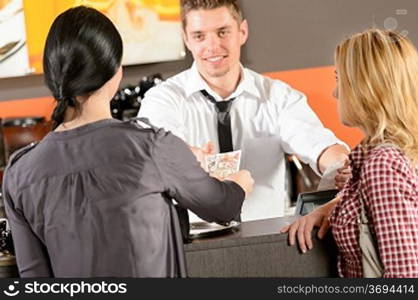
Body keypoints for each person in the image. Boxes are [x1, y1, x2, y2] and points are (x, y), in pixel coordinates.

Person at [2, 6, 254, 278]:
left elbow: (34, 279)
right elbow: (221, 205)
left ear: (53, 79)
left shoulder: (19, 173)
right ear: (116, 71)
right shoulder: (153, 146)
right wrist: (238, 184)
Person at [138, 0, 350, 221]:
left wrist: (343, 166)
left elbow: (316, 143)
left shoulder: (278, 97)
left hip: (264, 240)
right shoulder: (163, 98)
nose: (212, 46)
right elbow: (157, 149)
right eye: (199, 36)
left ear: (242, 31)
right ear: (186, 38)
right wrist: (189, 156)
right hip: (193, 246)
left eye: (222, 32)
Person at [282, 29, 418, 277]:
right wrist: (330, 208)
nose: (335, 92)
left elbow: (404, 277)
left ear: (366, 86)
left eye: (339, 79)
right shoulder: (385, 156)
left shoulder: (382, 165)